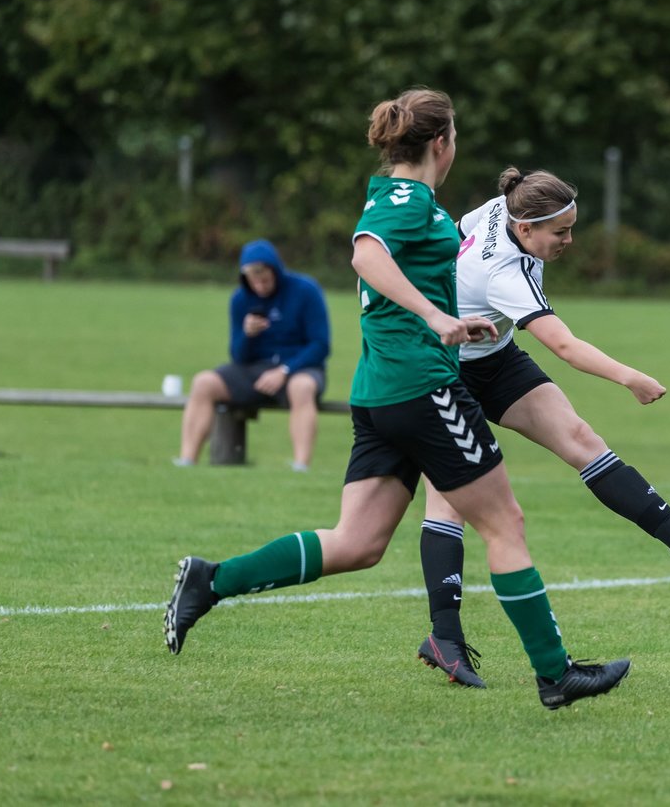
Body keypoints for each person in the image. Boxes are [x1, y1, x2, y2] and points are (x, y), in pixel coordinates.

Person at [164, 88, 631, 710]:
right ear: (442, 143)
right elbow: (365, 255)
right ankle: (556, 674)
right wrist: (437, 318)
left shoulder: (401, 195)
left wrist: (448, 319)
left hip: (382, 390)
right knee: (505, 523)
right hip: (424, 387)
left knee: (357, 542)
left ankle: (212, 580)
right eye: (456, 135)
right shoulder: (409, 199)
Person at [414, 167, 670, 688]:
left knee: (581, 440)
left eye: (571, 227)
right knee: (449, 497)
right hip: (442, 367)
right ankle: (444, 637)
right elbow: (565, 346)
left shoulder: (502, 205)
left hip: (493, 357)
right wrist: (629, 377)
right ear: (526, 229)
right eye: (560, 232)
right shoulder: (507, 272)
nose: (569, 240)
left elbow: (456, 233)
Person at [175, 239, 331, 471]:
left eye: (265, 278)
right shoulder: (240, 299)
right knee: (203, 382)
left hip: (299, 367)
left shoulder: (306, 290)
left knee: (302, 388)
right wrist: (247, 334)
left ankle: (301, 465)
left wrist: (284, 370)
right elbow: (238, 356)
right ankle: (187, 460)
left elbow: (320, 345)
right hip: (256, 370)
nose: (260, 285)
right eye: (253, 280)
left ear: (275, 270)